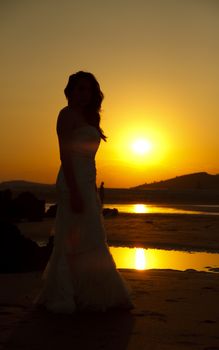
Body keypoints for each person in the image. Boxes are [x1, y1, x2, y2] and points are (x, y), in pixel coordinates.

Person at [34, 71, 133, 313]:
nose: (84, 94)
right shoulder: (65, 115)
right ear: (70, 91)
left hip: (87, 181)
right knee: (70, 239)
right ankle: (65, 295)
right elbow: (65, 156)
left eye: (88, 89)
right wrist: (75, 191)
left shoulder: (90, 118)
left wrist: (92, 191)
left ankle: (93, 294)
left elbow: (90, 160)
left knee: (92, 237)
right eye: (79, 89)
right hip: (72, 182)